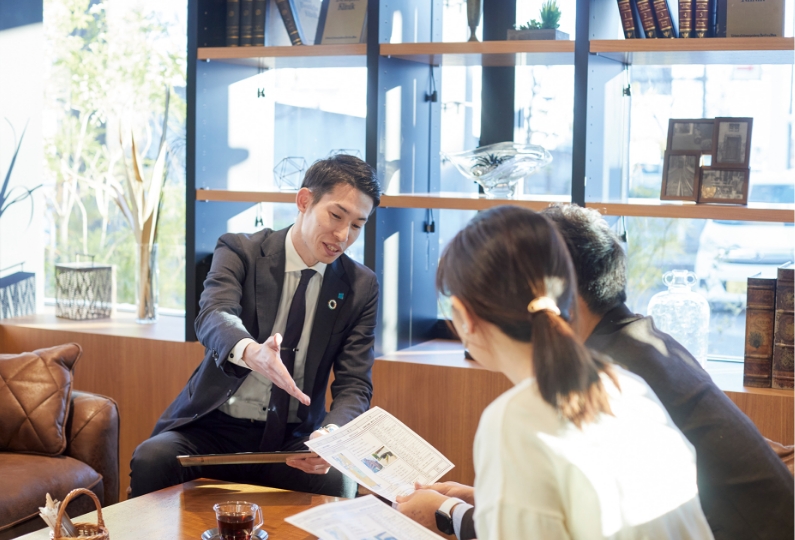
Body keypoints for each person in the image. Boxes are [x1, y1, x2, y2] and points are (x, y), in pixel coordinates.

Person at [399, 204, 794, 540]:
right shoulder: (626, 375)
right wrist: (482, 499)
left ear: (464, 317)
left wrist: (446, 510)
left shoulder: (517, 415)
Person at [130, 155, 381, 498]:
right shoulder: (241, 250)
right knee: (152, 458)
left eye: (356, 225)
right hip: (213, 428)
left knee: (338, 480)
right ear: (304, 201)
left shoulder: (360, 286)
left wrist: (331, 436)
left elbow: (354, 384)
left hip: (294, 439)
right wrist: (252, 353)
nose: (342, 234)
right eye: (336, 215)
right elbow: (214, 314)